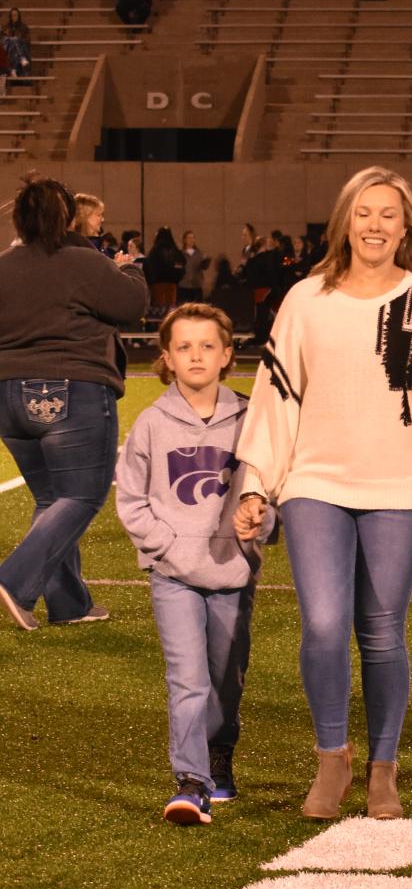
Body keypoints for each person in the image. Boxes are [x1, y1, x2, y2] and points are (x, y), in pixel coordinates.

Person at [233, 167, 412, 821]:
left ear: (406, 227)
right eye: (363, 213)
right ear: (343, 221)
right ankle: (332, 759)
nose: (375, 225)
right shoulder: (304, 299)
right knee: (322, 625)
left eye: (388, 214)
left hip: (400, 488)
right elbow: (274, 399)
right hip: (314, 483)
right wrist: (258, 483)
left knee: (380, 631)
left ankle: (383, 770)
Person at [115, 303, 268, 825]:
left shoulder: (251, 419)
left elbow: (270, 492)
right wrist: (170, 549)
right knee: (188, 679)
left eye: (207, 346)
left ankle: (220, 754)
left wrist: (260, 526)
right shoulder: (152, 423)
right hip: (174, 576)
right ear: (167, 358)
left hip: (232, 572)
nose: (196, 355)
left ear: (228, 354)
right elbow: (131, 502)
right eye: (184, 346)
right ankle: (191, 780)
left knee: (227, 678)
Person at [0, 175, 147, 631]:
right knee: (83, 495)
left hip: (7, 395)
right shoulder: (82, 260)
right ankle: (14, 579)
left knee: (51, 498)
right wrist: (131, 267)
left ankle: (70, 604)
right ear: (66, 218)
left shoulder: (3, 264)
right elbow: (132, 305)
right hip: (70, 388)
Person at [144, 226, 187, 317]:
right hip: (172, 285)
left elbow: (149, 266)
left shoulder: (155, 250)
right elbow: (182, 264)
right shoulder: (174, 249)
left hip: (157, 285)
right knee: (171, 309)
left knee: (159, 309)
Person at [179, 230, 210, 305]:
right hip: (184, 285)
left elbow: (204, 267)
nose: (191, 240)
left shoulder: (199, 254)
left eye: (193, 238)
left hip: (196, 285)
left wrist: (206, 261)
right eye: (189, 238)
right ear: (184, 240)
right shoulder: (180, 254)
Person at [2, 9, 32, 80]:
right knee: (12, 40)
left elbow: (27, 40)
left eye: (16, 15)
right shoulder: (6, 27)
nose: (14, 16)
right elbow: (3, 40)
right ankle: (21, 59)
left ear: (19, 16)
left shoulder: (23, 27)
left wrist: (19, 40)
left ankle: (13, 69)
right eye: (12, 15)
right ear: (10, 16)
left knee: (15, 41)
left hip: (21, 48)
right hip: (8, 50)